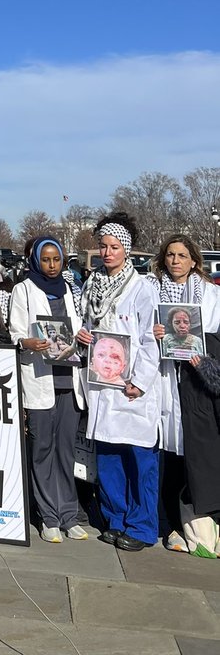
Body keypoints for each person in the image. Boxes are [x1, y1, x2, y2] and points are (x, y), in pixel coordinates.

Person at [77, 212, 160, 552]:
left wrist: (140, 381)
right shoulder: (90, 285)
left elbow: (151, 338)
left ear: (126, 250)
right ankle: (115, 518)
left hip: (130, 388)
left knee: (140, 462)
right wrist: (80, 335)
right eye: (103, 246)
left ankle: (141, 527)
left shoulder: (142, 288)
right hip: (101, 384)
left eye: (114, 247)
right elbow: (81, 324)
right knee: (108, 458)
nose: (108, 253)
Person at [9, 237, 87, 542]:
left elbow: (80, 325)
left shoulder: (70, 289)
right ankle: (48, 515)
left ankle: (69, 512)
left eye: (57, 259)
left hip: (69, 379)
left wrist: (82, 336)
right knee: (42, 449)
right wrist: (26, 342)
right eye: (46, 259)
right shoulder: (23, 289)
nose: (52, 265)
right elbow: (15, 331)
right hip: (41, 376)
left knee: (66, 451)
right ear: (36, 260)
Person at [149, 234, 220, 550]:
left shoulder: (210, 294)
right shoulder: (150, 290)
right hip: (163, 378)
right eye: (170, 255)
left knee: (195, 452)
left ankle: (196, 519)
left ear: (194, 260)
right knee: (167, 450)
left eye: (182, 255)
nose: (175, 260)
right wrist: (153, 331)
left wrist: (204, 355)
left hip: (196, 383)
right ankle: (169, 524)